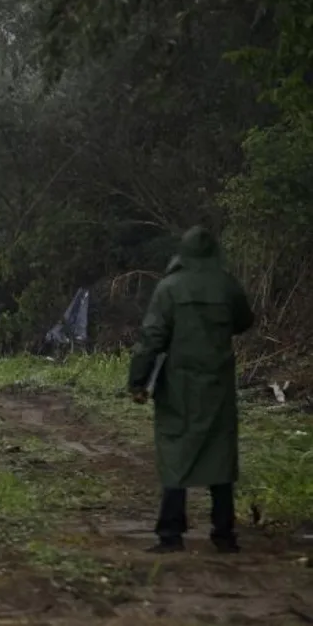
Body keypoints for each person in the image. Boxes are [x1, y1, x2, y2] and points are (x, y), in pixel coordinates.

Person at [128, 226, 254, 554]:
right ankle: (224, 533)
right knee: (220, 453)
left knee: (176, 451)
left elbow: (152, 338)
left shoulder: (169, 288)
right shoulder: (226, 285)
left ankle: (170, 534)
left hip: (179, 385)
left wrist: (138, 381)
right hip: (218, 385)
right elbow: (244, 321)